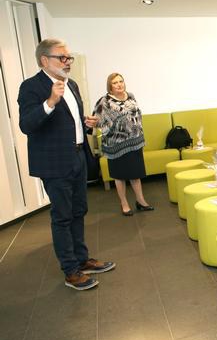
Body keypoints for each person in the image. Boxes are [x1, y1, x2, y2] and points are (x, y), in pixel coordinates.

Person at [17, 38, 115, 291]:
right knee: (62, 216)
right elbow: (26, 124)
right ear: (44, 60)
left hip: (78, 157)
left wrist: (86, 124)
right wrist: (49, 102)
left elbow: (69, 121)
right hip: (54, 162)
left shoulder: (71, 84)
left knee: (79, 211)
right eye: (62, 57)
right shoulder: (31, 87)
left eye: (68, 57)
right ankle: (71, 271)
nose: (67, 62)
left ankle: (82, 260)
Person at [93, 73, 154, 216]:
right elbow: (96, 120)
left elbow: (136, 115)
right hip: (116, 145)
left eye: (121, 81)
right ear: (110, 86)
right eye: (115, 83)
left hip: (135, 142)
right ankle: (124, 203)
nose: (119, 84)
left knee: (135, 174)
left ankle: (141, 201)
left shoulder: (131, 96)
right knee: (119, 176)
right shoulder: (104, 101)